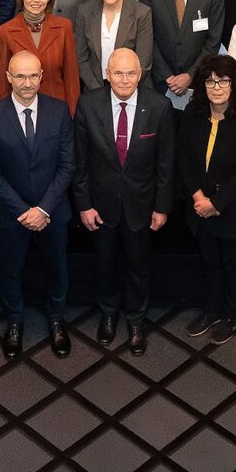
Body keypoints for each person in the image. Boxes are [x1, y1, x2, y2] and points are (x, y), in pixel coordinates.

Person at [73, 49, 174, 355]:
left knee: (139, 267)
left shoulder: (159, 106)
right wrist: (84, 204)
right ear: (107, 73)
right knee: (104, 264)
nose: (125, 80)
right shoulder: (89, 104)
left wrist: (162, 206)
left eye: (131, 73)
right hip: (100, 206)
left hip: (142, 205)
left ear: (140, 74)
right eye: (118, 73)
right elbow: (80, 161)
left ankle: (136, 319)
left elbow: (166, 164)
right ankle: (108, 314)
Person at [0, 50, 77, 359]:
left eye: (33, 75)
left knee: (57, 269)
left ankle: (57, 320)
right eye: (19, 76)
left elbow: (67, 165)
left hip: (53, 211)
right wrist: (24, 211)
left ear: (41, 77)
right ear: (8, 78)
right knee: (10, 270)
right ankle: (14, 321)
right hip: (12, 214)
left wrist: (44, 209)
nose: (26, 82)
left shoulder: (60, 111)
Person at [175, 56, 236, 345]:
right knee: (209, 262)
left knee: (232, 264)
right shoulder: (192, 113)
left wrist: (216, 203)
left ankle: (233, 314)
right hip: (199, 207)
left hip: (232, 208)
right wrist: (198, 196)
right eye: (210, 81)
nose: (216, 86)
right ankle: (212, 310)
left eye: (223, 80)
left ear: (234, 83)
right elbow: (184, 159)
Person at [0, 0, 81, 113]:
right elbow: (4, 81)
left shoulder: (63, 27)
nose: (37, 0)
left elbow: (71, 76)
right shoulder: (5, 31)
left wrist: (73, 114)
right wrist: (5, 115)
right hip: (21, 109)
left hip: (57, 107)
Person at [74, 0, 153, 91]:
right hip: (94, 88)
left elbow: (143, 62)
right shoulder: (85, 11)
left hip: (130, 88)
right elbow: (81, 58)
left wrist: (121, 87)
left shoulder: (141, 13)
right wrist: (97, 90)